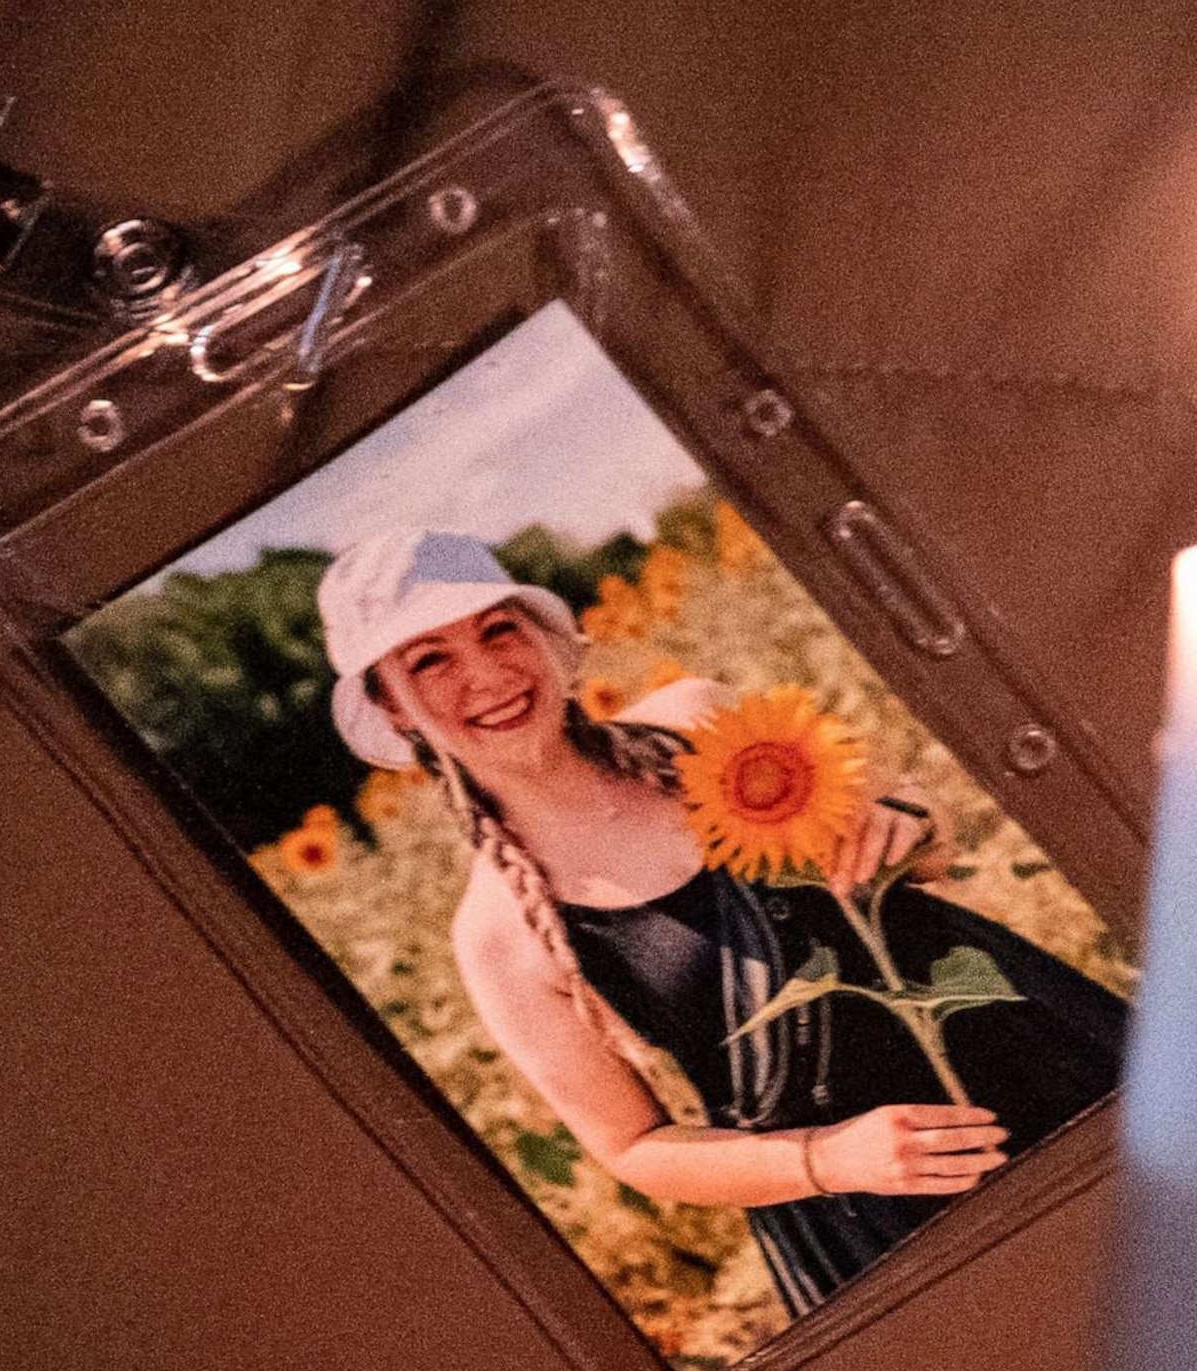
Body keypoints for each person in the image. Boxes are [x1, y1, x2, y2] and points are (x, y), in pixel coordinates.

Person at [316, 528, 1126, 1313]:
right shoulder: (496, 934)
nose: (488, 673)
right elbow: (635, 1149)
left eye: (498, 630)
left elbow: (932, 838)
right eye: (431, 660)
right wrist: (831, 1159)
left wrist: (906, 827)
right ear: (391, 708)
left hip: (1034, 1045)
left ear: (542, 634)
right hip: (880, 1203)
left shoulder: (699, 718)